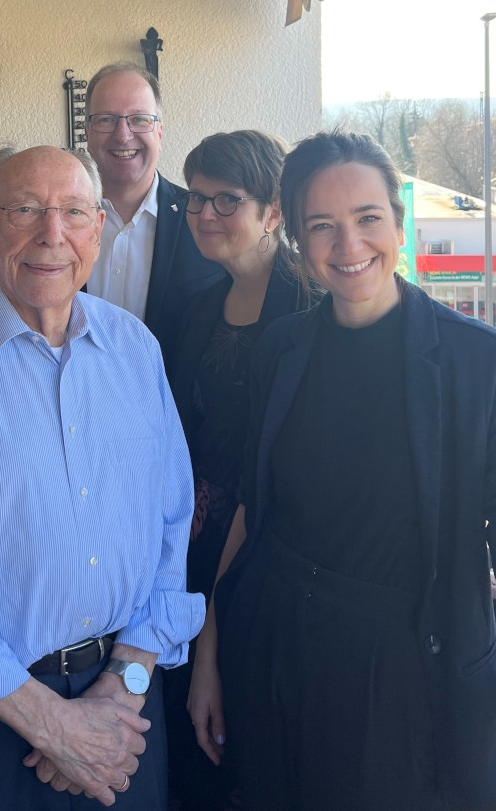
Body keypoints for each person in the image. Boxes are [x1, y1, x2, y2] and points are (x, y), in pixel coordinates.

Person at [187, 130, 496, 809]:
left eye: (367, 219)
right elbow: (254, 511)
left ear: (398, 226)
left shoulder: (476, 361)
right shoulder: (282, 351)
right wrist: (209, 659)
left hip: (405, 682)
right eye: (323, 226)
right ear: (298, 239)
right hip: (276, 656)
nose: (348, 247)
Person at [0, 145, 202, 811]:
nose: (53, 234)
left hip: (124, 711)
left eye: (74, 212)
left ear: (97, 231)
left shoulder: (136, 349)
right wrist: (52, 725)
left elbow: (171, 526)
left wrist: (125, 682)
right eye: (25, 209)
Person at [163, 130, 310, 810]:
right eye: (196, 199)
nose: (206, 215)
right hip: (188, 551)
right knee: (187, 743)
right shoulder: (195, 308)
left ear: (274, 212)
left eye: (229, 200)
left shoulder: (312, 308)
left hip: (269, 557)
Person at [84, 62, 223, 363]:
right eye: (107, 119)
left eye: (139, 119)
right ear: (87, 132)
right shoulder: (58, 219)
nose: (123, 135)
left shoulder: (206, 217)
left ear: (159, 131)